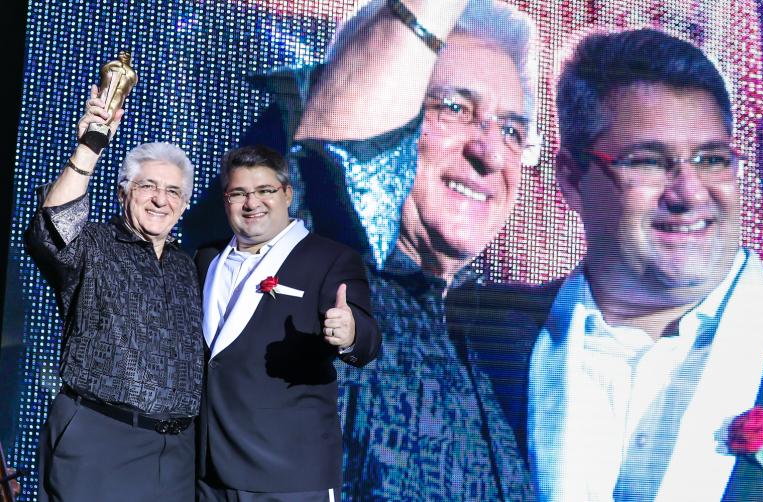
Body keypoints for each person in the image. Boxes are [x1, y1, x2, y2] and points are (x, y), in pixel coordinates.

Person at [456, 28, 763, 501]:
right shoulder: (475, 334)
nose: (689, 193)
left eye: (711, 159)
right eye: (648, 162)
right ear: (572, 179)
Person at [226, 0, 541, 498]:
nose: (490, 153)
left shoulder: (493, 358)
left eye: (512, 130)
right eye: (455, 108)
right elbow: (328, 158)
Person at [24, 87, 204, 500]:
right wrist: (90, 146)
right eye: (148, 186)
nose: (160, 200)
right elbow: (53, 227)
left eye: (173, 192)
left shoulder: (189, 266)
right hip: (99, 440)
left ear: (184, 205)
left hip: (176, 457)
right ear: (123, 192)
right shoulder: (93, 244)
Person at [194, 145, 380, 501]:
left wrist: (350, 332)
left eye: (265, 190)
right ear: (225, 200)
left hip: (290, 473)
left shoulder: (330, 258)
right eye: (238, 193)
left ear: (287, 194)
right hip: (210, 472)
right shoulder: (205, 258)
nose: (252, 203)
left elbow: (368, 341)